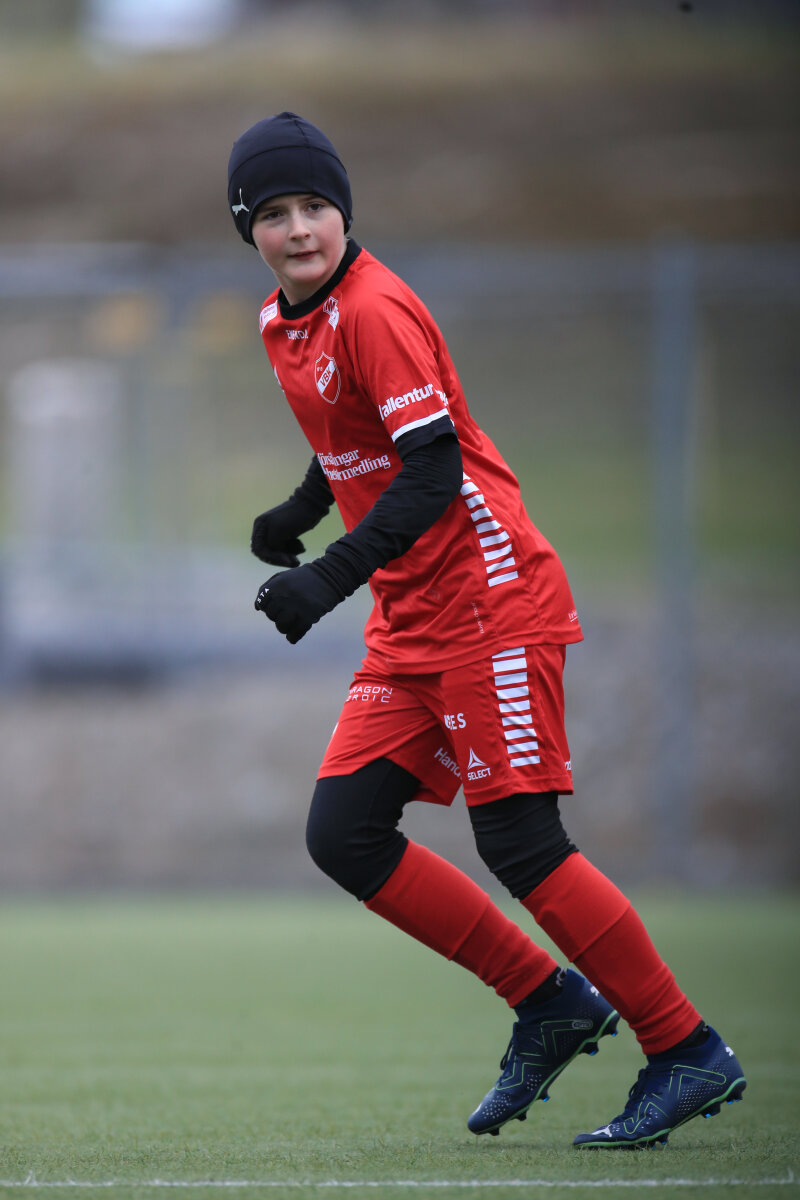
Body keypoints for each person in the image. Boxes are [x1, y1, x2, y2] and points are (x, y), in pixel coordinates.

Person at [226, 111, 746, 1147]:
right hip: (413, 617)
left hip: (488, 601)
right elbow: (354, 431)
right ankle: (548, 1002)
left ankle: (685, 1047)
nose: (299, 228)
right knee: (344, 834)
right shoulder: (283, 320)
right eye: (274, 213)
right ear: (247, 228)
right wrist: (301, 509)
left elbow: (433, 469)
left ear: (344, 212)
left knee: (520, 840)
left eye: (315, 205)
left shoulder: (374, 308)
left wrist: (326, 575)